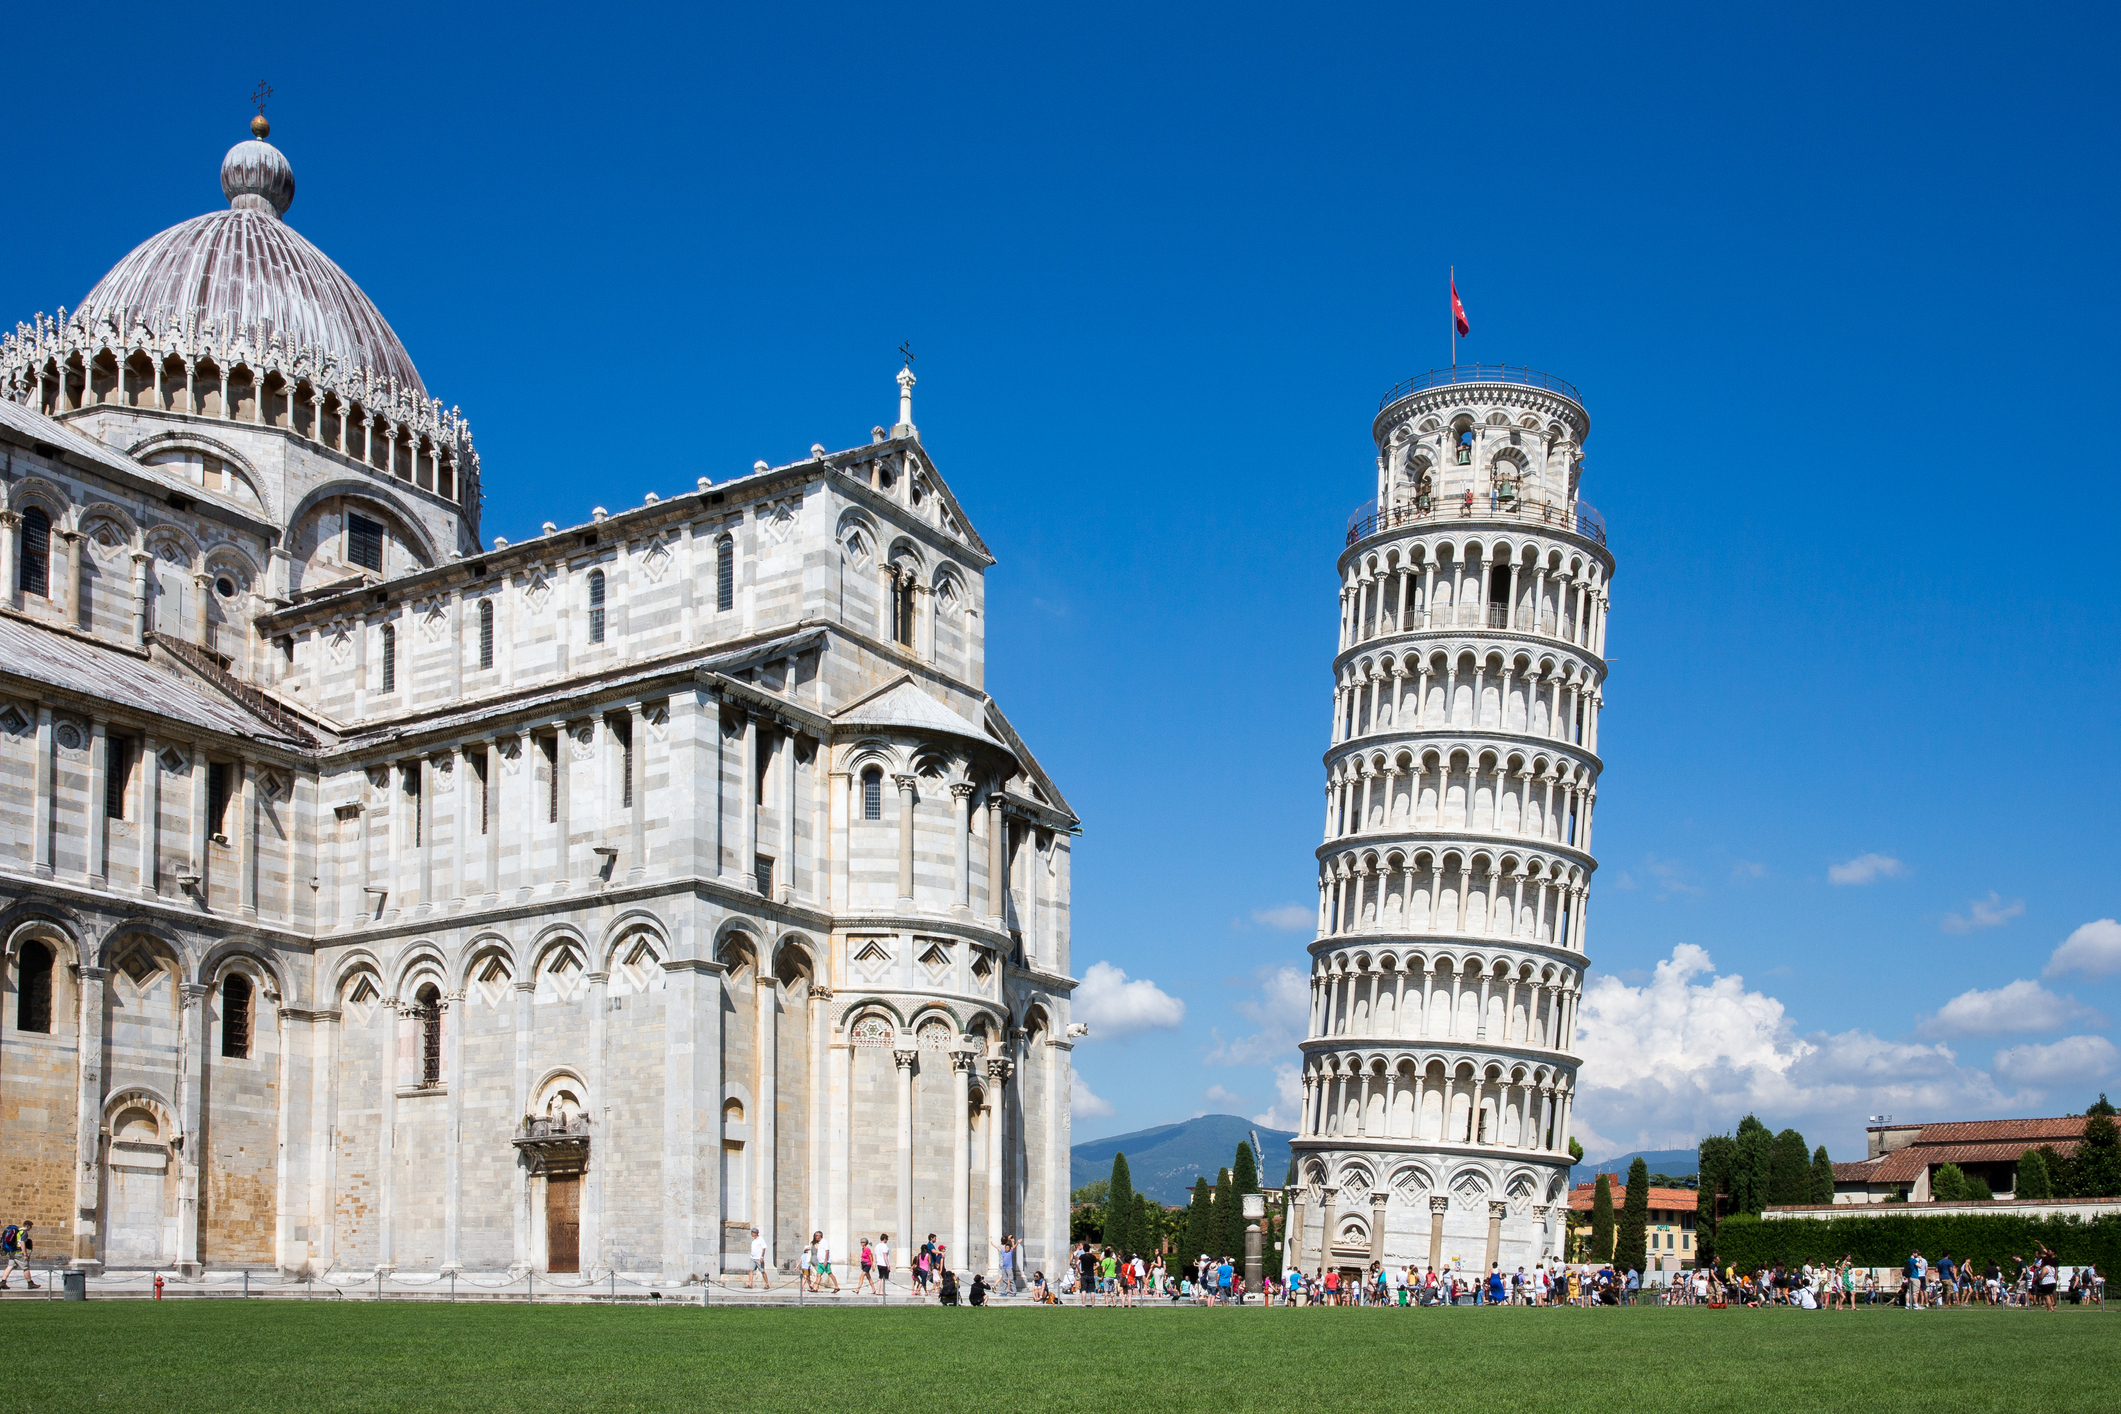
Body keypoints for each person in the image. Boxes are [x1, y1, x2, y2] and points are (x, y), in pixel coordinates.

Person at [0, 1220, 33, 1290]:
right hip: (19, 1253)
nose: (31, 1228)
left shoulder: (17, 1230)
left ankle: (3, 1282)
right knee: (26, 1267)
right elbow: (22, 1243)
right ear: (27, 1226)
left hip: (12, 1252)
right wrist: (25, 1254)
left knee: (10, 1266)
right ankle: (30, 1283)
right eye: (30, 1227)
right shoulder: (24, 1233)